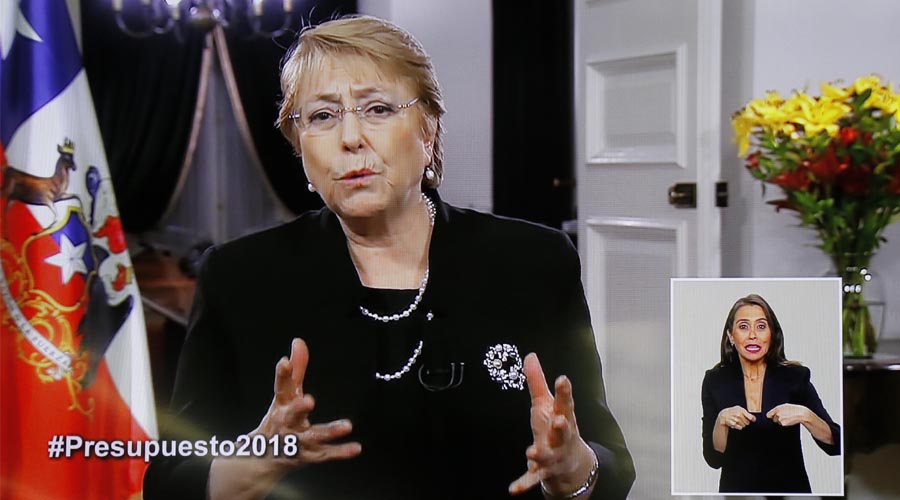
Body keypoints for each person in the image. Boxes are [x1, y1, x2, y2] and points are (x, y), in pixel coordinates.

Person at [142, 15, 634, 500]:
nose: (350, 138)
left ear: (428, 130)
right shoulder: (238, 278)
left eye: (377, 108)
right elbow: (169, 483)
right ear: (300, 148)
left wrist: (572, 471)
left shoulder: (534, 262)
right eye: (322, 116)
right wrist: (250, 464)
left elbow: (607, 463)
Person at [701, 294, 841, 493]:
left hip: (789, 492)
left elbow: (836, 444)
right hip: (738, 494)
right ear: (731, 336)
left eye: (761, 326)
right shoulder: (715, 380)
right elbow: (714, 459)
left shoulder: (795, 376)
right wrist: (721, 421)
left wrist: (805, 415)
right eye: (743, 326)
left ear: (772, 335)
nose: (752, 335)